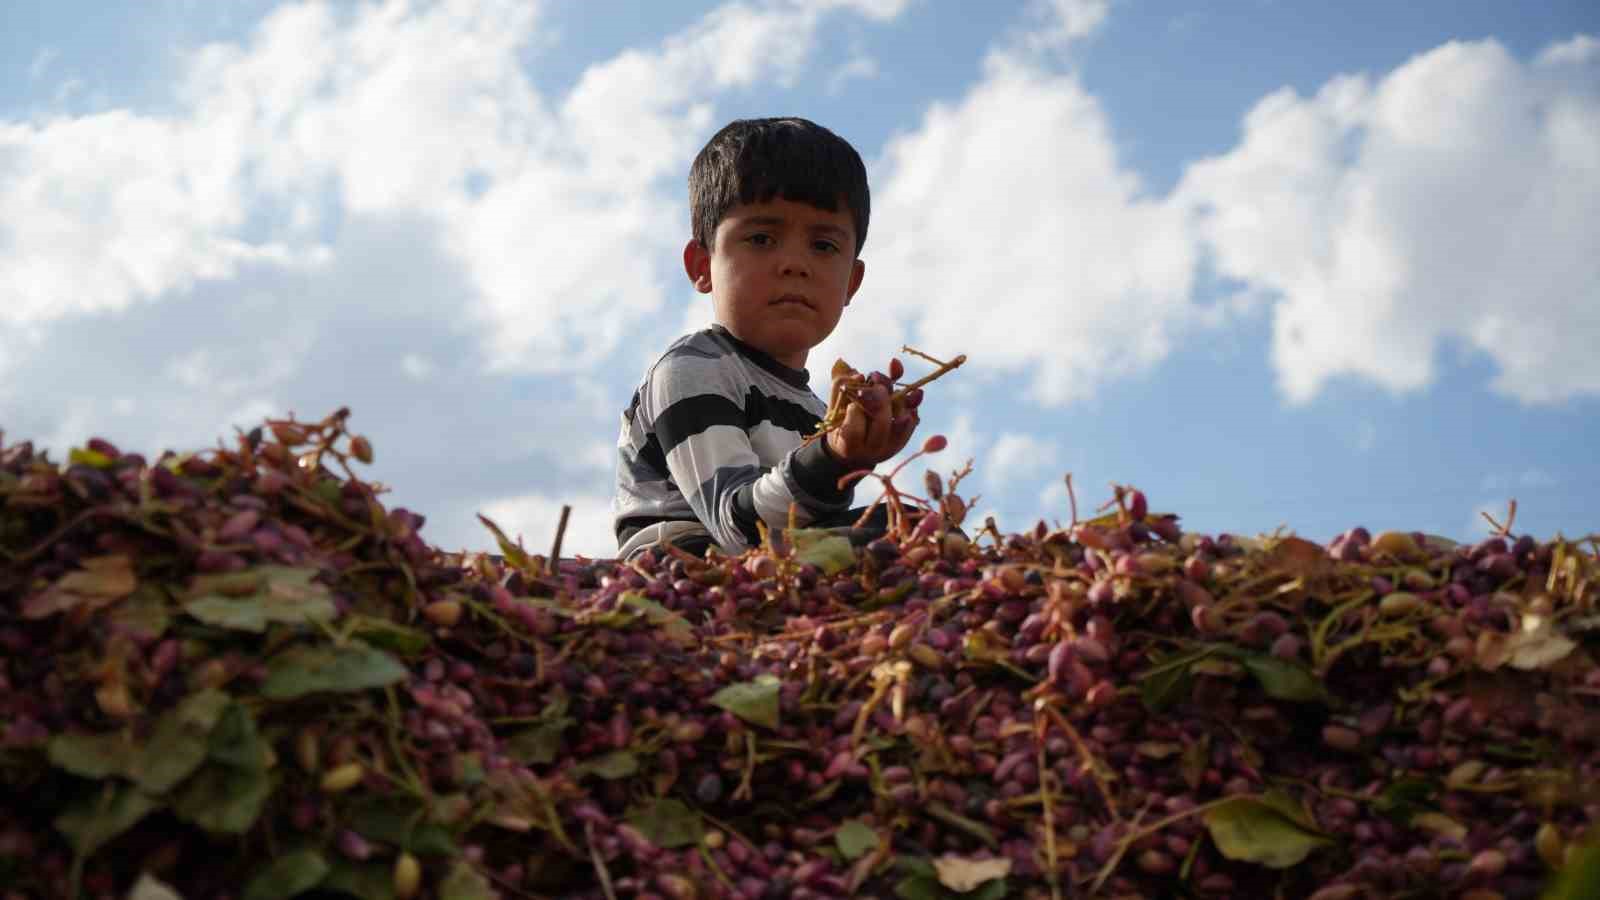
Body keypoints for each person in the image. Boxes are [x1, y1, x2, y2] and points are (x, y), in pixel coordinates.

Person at [612, 117, 921, 561]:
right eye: (761, 238)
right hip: (686, 564)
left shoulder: (816, 412)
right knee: (891, 535)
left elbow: (804, 531)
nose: (794, 263)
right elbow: (738, 528)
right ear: (702, 264)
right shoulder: (691, 369)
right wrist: (834, 458)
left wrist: (853, 451)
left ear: (851, 283)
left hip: (779, 562)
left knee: (910, 528)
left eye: (824, 246)